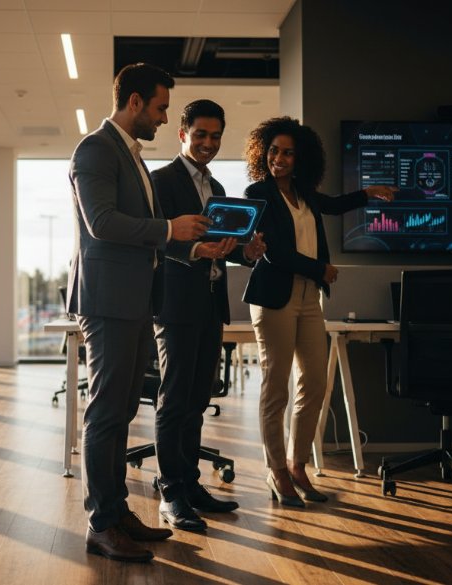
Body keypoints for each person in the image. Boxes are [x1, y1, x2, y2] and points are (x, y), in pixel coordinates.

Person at [66, 63, 210, 562]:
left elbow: (147, 232)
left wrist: (190, 247)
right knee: (106, 412)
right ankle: (101, 523)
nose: (162, 116)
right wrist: (171, 229)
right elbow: (103, 223)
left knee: (124, 409)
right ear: (133, 102)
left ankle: (118, 511)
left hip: (133, 300)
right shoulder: (95, 150)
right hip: (106, 300)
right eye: (160, 107)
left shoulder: (133, 159)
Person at [241, 116, 395, 507]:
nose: (279, 158)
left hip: (311, 298)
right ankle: (276, 470)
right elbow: (274, 251)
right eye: (273, 151)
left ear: (300, 158)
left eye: (288, 153)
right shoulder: (257, 192)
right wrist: (320, 269)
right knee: (276, 387)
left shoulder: (304, 193)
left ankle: (297, 464)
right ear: (264, 153)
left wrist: (368, 193)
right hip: (274, 297)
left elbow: (334, 204)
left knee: (315, 383)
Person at [150, 99, 266, 532]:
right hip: (176, 303)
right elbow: (155, 238)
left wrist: (248, 254)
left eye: (215, 136)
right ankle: (171, 492)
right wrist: (195, 249)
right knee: (175, 398)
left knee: (199, 398)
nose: (208, 143)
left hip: (211, 302)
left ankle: (191, 484)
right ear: (182, 133)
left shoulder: (218, 191)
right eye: (200, 134)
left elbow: (224, 249)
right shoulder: (161, 182)